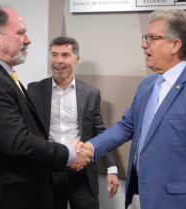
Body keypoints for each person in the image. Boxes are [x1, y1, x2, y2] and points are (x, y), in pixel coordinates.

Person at [81, 9, 186, 209]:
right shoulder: (147, 85)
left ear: (175, 45)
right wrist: (91, 147)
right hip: (144, 198)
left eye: (153, 38)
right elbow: (127, 126)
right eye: (145, 37)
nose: (144, 45)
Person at [0, 6, 91, 209]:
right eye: (20, 33)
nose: (28, 40)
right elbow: (18, 142)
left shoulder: (0, 75)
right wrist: (69, 153)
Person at [28, 36, 119, 209]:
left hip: (81, 172)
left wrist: (111, 168)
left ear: (76, 59)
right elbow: (29, 131)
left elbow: (99, 131)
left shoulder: (91, 93)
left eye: (65, 55)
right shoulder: (34, 90)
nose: (58, 61)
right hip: (47, 173)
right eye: (54, 55)